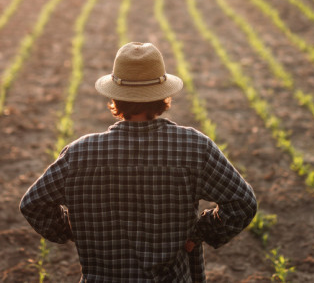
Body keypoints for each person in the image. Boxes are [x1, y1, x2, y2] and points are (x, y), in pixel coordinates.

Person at [20, 42, 257, 282]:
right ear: (163, 96)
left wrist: (71, 229)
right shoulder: (194, 147)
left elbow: (33, 204)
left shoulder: (80, 153)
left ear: (115, 96)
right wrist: (200, 232)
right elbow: (242, 203)